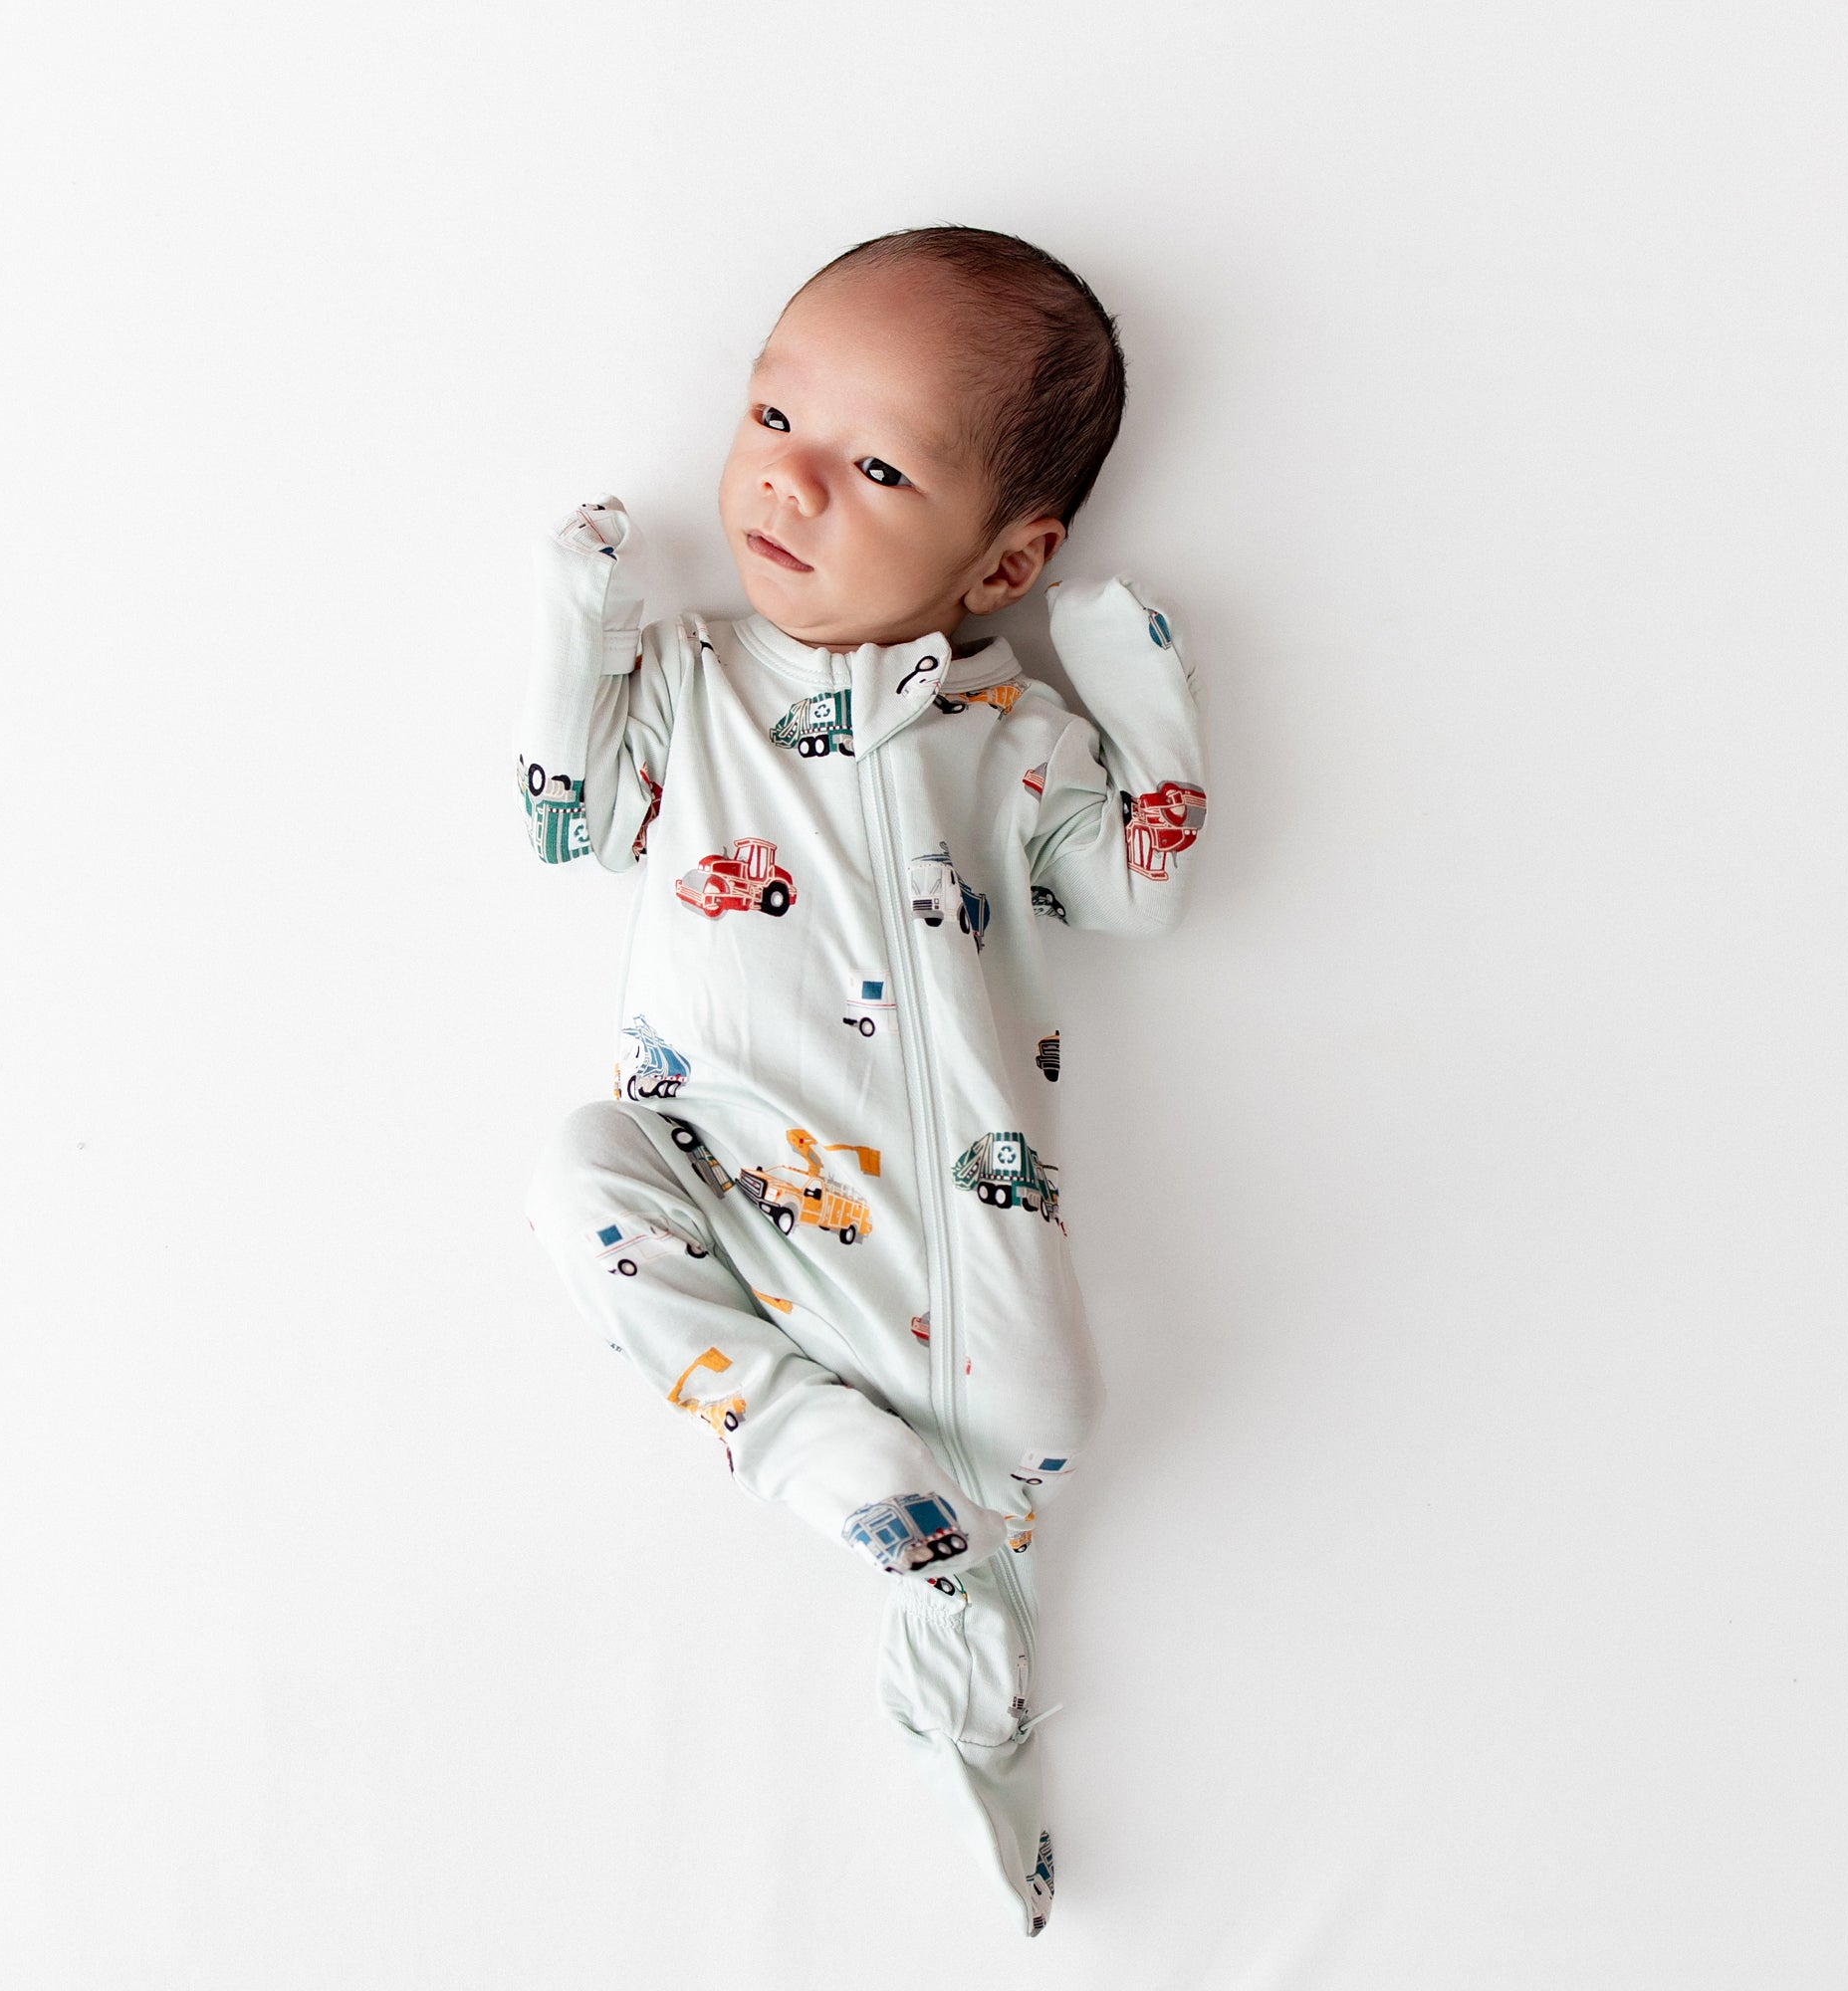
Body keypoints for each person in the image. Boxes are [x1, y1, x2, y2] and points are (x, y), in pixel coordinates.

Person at [515, 225, 1205, 1935]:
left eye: (876, 464)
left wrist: (1142, 698)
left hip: (968, 1255)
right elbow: (565, 821)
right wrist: (575, 620)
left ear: (1000, 564)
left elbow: (1137, 882)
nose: (788, 482)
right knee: (575, 1180)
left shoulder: (1013, 732)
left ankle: (969, 1689)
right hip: (730, 1191)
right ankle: (832, 1471)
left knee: (1031, 1455)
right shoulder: (688, 680)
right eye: (772, 417)